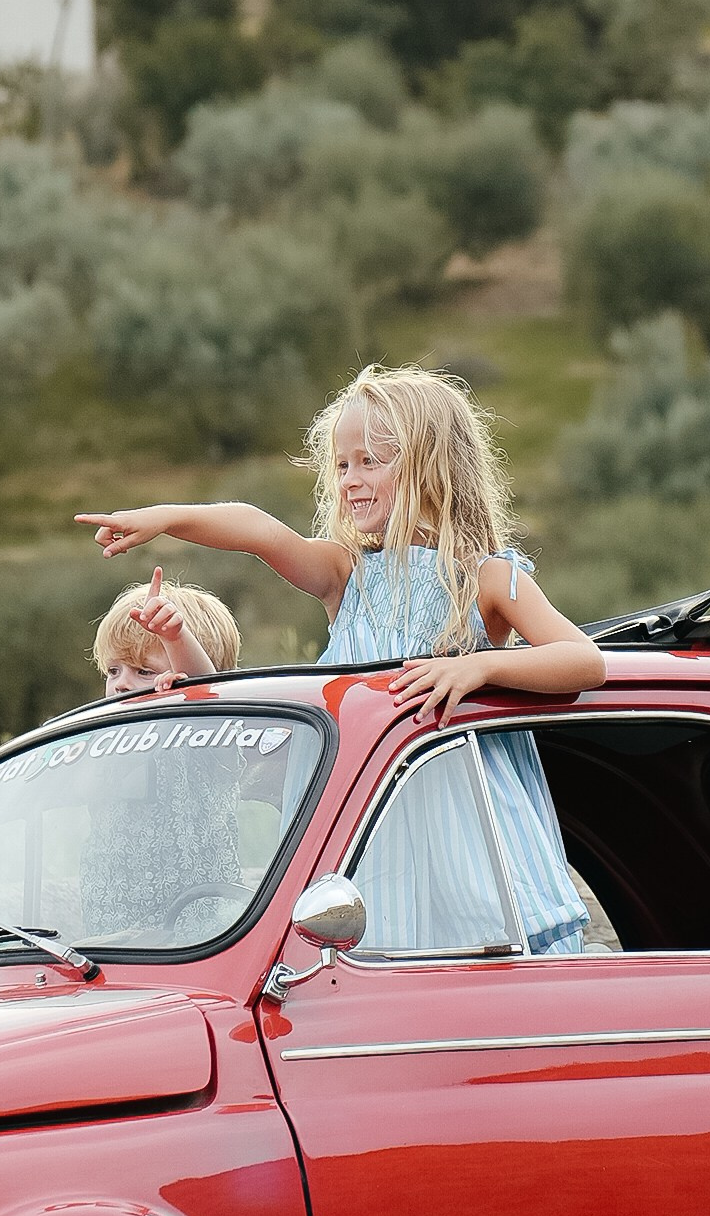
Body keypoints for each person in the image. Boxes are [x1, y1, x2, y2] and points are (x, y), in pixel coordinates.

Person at [80, 362, 605, 953]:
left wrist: (479, 665)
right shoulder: (344, 574)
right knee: (373, 968)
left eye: (370, 462)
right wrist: (166, 519)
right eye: (341, 465)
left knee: (486, 968)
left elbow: (582, 661)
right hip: (371, 829)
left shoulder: (488, 578)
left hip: (470, 828)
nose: (350, 479)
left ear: (429, 467)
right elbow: (260, 530)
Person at [95, 568, 240, 699]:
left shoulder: (202, 718)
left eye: (144, 672)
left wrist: (176, 639)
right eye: (113, 671)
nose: (120, 685)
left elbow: (205, 691)